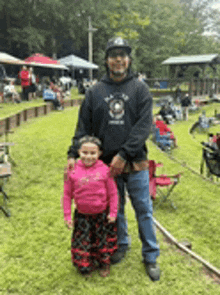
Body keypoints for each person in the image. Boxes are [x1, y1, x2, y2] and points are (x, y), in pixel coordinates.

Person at [66, 37, 160, 281]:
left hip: (135, 160)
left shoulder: (140, 89)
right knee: (115, 210)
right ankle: (122, 244)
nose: (118, 59)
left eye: (123, 54)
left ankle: (150, 255)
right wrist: (71, 152)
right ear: (106, 60)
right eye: (113, 54)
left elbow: (143, 127)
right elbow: (83, 127)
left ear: (128, 60)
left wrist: (124, 154)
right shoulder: (95, 92)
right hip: (106, 166)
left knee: (144, 210)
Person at [63, 135, 118, 277]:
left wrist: (113, 212)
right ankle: (84, 266)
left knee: (102, 242)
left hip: (101, 215)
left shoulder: (106, 170)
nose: (88, 156)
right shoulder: (72, 170)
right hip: (82, 216)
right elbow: (67, 195)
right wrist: (67, 215)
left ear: (99, 153)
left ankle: (104, 265)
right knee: (83, 242)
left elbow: (113, 194)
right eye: (84, 153)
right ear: (78, 152)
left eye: (93, 153)